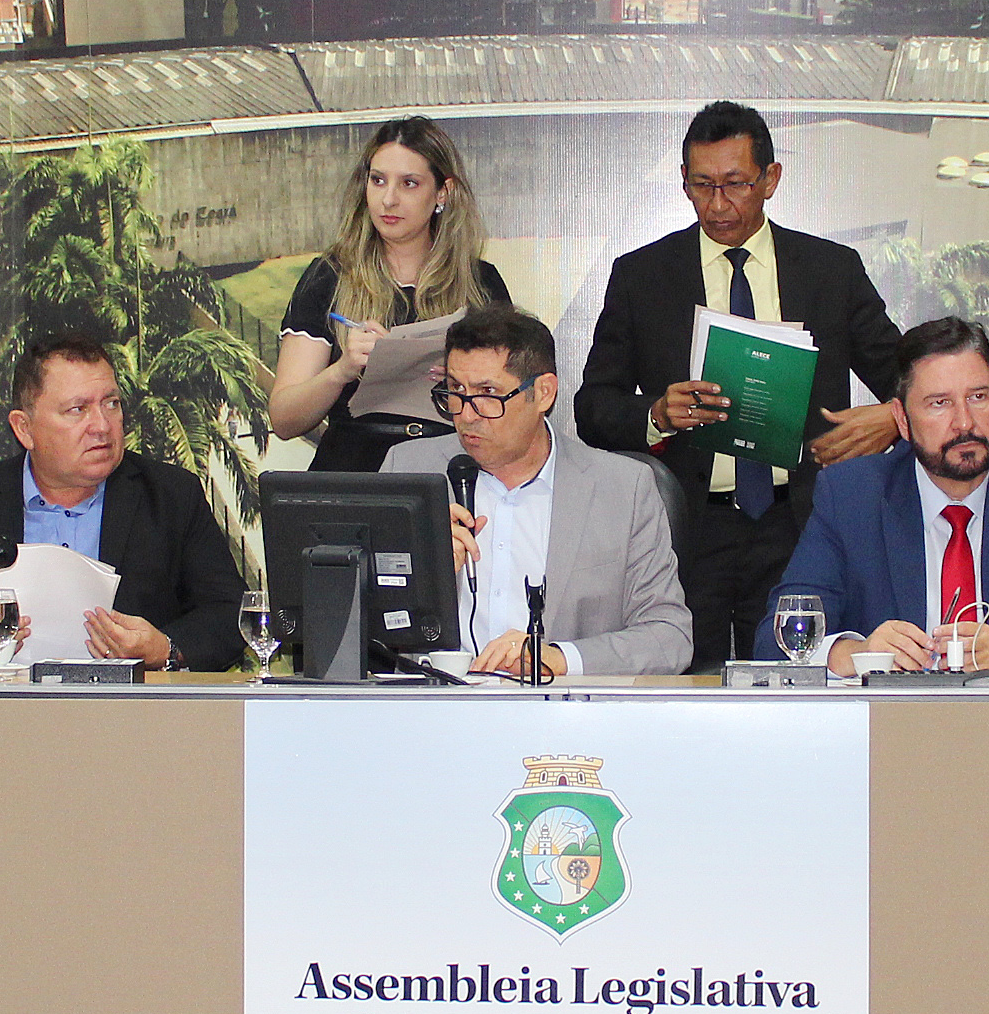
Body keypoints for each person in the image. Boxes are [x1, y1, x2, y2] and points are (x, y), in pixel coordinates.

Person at [576, 101, 907, 668]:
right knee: (686, 687)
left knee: (796, 683)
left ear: (770, 179)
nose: (717, 203)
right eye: (701, 185)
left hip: (801, 522)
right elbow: (592, 408)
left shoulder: (830, 270)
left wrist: (894, 417)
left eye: (735, 184)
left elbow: (911, 379)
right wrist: (656, 415)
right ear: (684, 181)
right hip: (688, 526)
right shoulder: (643, 275)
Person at [754, 316, 989, 677]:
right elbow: (778, 637)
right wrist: (857, 653)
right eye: (939, 403)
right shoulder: (853, 495)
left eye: (978, 397)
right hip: (892, 717)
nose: (965, 422)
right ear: (902, 419)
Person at [0, 335, 246, 671]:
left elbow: (229, 610)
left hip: (130, 707)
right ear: (24, 428)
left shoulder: (170, 496)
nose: (102, 426)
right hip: (0, 707)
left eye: (111, 404)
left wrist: (164, 648)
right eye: (78, 409)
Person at [385, 305, 692, 678]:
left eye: (487, 393)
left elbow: (669, 638)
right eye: (455, 390)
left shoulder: (622, 489)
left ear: (544, 393)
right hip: (431, 705)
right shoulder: (408, 470)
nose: (466, 415)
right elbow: (354, 621)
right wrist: (422, 579)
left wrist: (558, 659)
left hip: (561, 708)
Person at [268, 118, 512, 471]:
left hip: (449, 465)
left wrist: (464, 385)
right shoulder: (330, 276)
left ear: (442, 192)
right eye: (378, 180)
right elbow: (284, 419)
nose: (388, 199)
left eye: (409, 183)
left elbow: (513, 404)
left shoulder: (480, 283)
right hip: (353, 469)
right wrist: (343, 370)